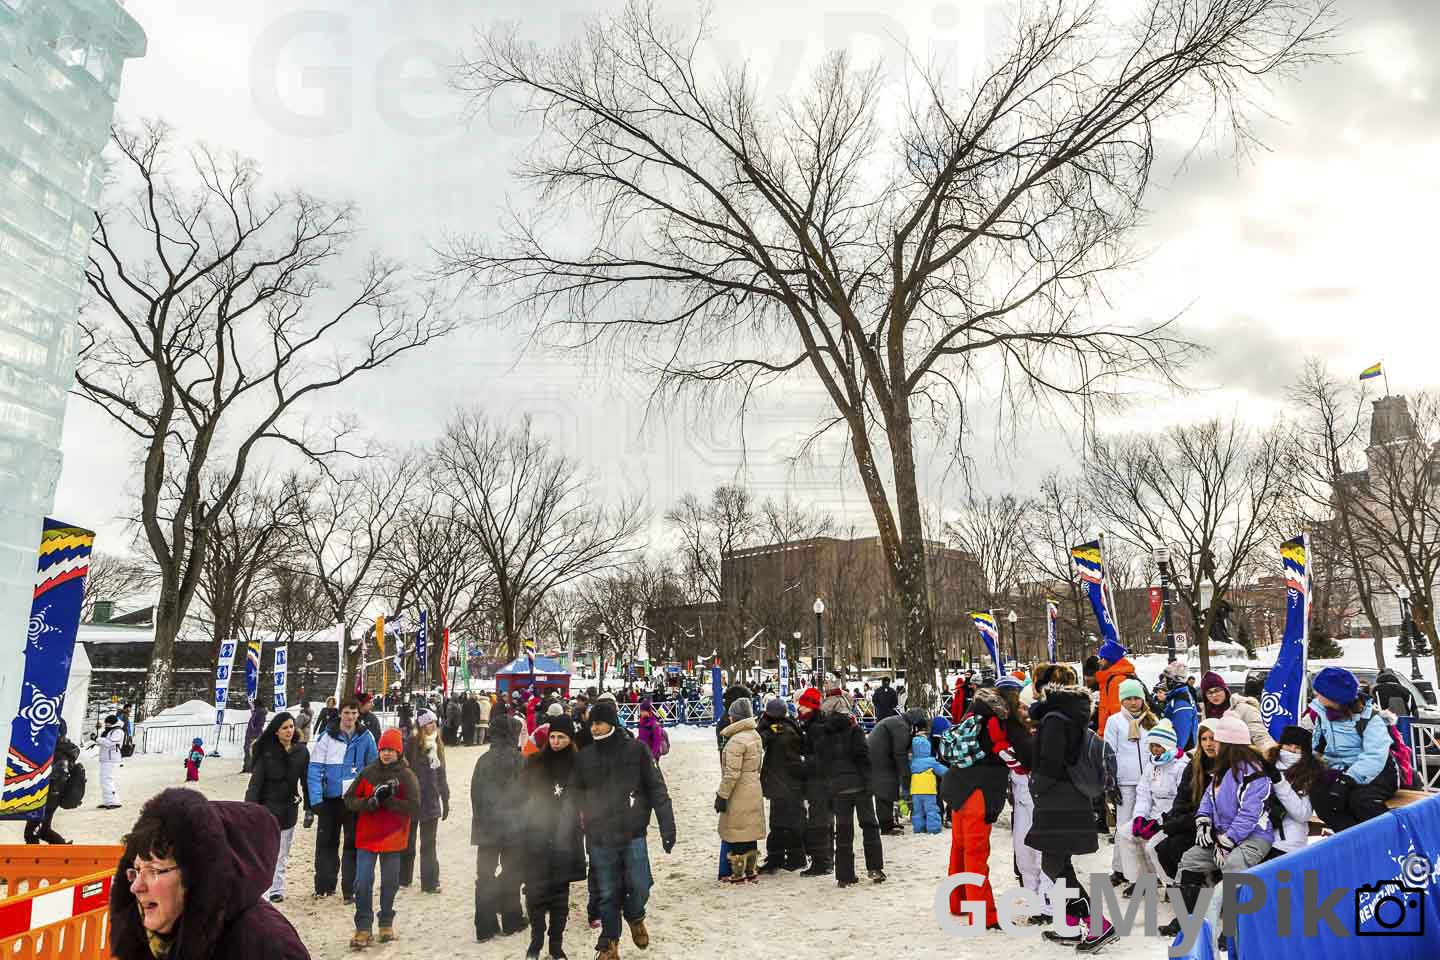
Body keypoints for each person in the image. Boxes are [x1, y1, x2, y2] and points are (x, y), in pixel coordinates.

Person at [108, 788, 309, 959]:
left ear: (198, 877)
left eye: (153, 870)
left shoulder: (266, 946)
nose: (136, 887)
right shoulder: (164, 934)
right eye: (137, 870)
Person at [574, 699, 677, 960]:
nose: (594, 729)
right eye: (591, 724)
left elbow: (656, 788)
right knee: (607, 893)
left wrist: (667, 823)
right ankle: (609, 945)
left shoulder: (637, 750)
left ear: (611, 722)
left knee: (641, 884)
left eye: (598, 723)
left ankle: (634, 914)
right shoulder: (584, 756)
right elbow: (573, 795)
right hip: (600, 835)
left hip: (632, 832)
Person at [1027, 666, 1117, 950]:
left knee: (1053, 864)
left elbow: (1051, 763)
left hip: (1057, 799)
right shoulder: (1068, 716)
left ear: (1044, 689)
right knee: (1058, 864)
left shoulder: (1054, 719)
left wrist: (1036, 785)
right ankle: (1070, 924)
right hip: (1070, 797)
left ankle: (1098, 925)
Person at [1173, 715, 1274, 952]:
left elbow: (1250, 815)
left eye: (1217, 741)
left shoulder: (1254, 773)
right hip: (1222, 838)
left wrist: (1227, 843)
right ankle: (1191, 923)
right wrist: (1204, 823)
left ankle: (1231, 930)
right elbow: (1207, 801)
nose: (1212, 745)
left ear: (1229, 744)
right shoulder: (1221, 771)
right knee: (1189, 861)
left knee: (1233, 866)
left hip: (1254, 837)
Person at [941, 683, 1025, 930]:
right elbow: (1004, 752)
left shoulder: (974, 710)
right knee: (977, 853)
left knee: (960, 847)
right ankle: (983, 914)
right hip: (979, 792)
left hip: (958, 788)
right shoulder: (996, 720)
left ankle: (959, 901)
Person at [345, 728, 420, 949]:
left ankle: (386, 923)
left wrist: (390, 801)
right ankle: (363, 927)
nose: (386, 753)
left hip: (393, 837)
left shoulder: (407, 775)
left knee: (390, 882)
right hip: (367, 836)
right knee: (363, 882)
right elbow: (349, 799)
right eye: (383, 749)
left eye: (391, 749)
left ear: (398, 751)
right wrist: (369, 802)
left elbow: (415, 808)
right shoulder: (368, 772)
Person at [522, 714, 586, 960]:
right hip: (536, 836)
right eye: (553, 737)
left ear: (570, 739)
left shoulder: (578, 765)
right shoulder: (535, 762)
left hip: (565, 838)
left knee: (560, 896)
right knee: (536, 892)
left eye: (561, 737)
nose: (556, 741)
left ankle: (555, 944)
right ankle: (536, 941)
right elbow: (522, 793)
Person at [1306, 666, 1398, 831]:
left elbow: (1375, 756)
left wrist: (1347, 780)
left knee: (1359, 800)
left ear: (1335, 697)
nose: (1316, 695)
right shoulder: (1322, 714)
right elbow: (1319, 746)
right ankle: (1352, 840)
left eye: (1320, 692)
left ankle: (1388, 836)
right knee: (1320, 797)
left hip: (1377, 772)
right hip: (1341, 770)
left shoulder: (1370, 719)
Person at [307, 697, 379, 901]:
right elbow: (315, 768)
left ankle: (351, 889)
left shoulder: (366, 737)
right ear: (340, 713)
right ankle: (324, 886)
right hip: (330, 800)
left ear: (359, 715)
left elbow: (373, 768)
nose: (350, 717)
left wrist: (368, 796)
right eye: (347, 713)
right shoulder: (326, 737)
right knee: (326, 845)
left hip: (354, 801)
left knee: (352, 845)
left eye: (354, 713)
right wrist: (316, 799)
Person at [1154, 719, 1221, 937]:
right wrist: (1174, 820)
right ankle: (1191, 906)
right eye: (1204, 739)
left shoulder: (1228, 767)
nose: (1209, 744)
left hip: (1215, 829)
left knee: (1181, 851)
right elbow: (1182, 798)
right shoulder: (1194, 766)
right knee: (1163, 849)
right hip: (1192, 823)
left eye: (1213, 738)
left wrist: (1182, 823)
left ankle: (1189, 915)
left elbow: (1217, 810)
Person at [815, 691, 885, 888]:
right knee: (869, 826)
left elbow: (822, 764)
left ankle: (844, 875)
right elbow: (863, 757)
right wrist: (868, 782)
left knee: (843, 831)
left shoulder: (823, 734)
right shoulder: (854, 731)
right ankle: (875, 868)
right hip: (859, 785)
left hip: (838, 788)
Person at [472, 711, 528, 941]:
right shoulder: (520, 761)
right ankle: (512, 920)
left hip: (486, 828)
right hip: (514, 828)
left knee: (484, 874)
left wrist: (482, 820)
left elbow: (475, 796)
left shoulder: (483, 761)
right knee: (512, 872)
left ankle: (484, 926)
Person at [245, 711, 311, 903]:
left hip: (289, 808)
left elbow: (306, 781)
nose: (289, 730)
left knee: (282, 852)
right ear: (276, 731)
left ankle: (277, 888)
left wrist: (309, 807)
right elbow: (255, 784)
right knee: (266, 852)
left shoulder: (301, 752)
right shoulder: (266, 752)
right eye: (284, 727)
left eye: (291, 726)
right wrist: (249, 810)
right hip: (267, 809)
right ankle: (263, 889)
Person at [1116, 719, 1188, 896]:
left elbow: (1181, 801)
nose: (1155, 750)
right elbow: (1144, 793)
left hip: (1171, 818)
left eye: (1159, 746)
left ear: (1168, 745)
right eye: (1152, 745)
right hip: (1151, 814)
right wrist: (1140, 816)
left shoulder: (1181, 766)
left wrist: (1159, 822)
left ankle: (1170, 883)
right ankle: (1142, 880)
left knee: (1153, 845)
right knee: (1125, 834)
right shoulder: (1152, 765)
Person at [1103, 677, 1158, 885]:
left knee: (1145, 825)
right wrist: (1111, 780)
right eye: (1129, 699)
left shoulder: (1151, 720)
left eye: (1137, 698)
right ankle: (1120, 868)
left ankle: (1149, 869)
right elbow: (1109, 751)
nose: (1133, 703)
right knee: (1124, 825)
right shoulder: (1115, 721)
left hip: (1148, 782)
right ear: (1122, 701)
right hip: (1124, 782)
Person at [716, 696, 766, 882]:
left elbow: (732, 774)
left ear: (735, 718)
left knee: (737, 832)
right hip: (753, 786)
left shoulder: (737, 740)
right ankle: (751, 871)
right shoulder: (755, 735)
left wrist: (722, 795)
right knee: (749, 830)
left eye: (731, 716)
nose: (729, 719)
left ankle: (736, 873)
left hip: (739, 791)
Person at [401, 709, 449, 892]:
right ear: (421, 726)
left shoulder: (437, 743)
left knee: (428, 845)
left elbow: (442, 774)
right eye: (429, 723)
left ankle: (430, 883)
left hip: (431, 800)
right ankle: (404, 878)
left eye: (434, 722)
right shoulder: (412, 743)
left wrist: (445, 798)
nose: (433, 725)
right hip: (413, 800)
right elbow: (403, 771)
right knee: (408, 843)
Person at [757, 696, 806, 873]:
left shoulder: (781, 731)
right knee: (785, 821)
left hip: (785, 783)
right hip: (786, 783)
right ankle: (785, 857)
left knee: (784, 823)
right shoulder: (786, 726)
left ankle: (789, 857)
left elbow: (762, 742)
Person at [1266, 725, 1323, 859]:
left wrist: (1279, 783)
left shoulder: (1310, 774)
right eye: (1288, 745)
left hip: (1289, 844)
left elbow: (1303, 814)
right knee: (1239, 877)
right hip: (1259, 839)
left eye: (1298, 748)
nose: (1292, 750)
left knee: (1304, 879)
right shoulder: (1265, 766)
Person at [867, 706, 926, 834]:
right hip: (879, 758)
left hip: (878, 756)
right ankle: (886, 826)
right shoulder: (901, 726)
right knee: (884, 789)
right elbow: (900, 753)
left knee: (887, 787)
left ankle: (888, 822)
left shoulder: (898, 721)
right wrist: (906, 775)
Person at [796, 686, 834, 877]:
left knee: (819, 822)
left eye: (802, 706)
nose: (799, 709)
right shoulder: (817, 724)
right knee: (825, 820)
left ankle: (822, 863)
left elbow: (819, 758)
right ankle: (827, 860)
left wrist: (803, 764)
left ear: (810, 707)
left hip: (820, 783)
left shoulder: (815, 728)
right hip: (825, 782)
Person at [25, 720, 79, 844]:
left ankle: (35, 860)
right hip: (49, 796)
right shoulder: (58, 749)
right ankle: (63, 852)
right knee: (44, 831)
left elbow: (59, 776)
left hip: (48, 797)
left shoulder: (59, 752)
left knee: (30, 833)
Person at [1094, 638, 1137, 734]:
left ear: (1110, 659)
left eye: (1102, 658)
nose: (1099, 661)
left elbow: (1117, 713)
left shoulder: (1117, 680)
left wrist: (1106, 735)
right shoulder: (1111, 678)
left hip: (1113, 737)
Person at [1225, 675, 1277, 752]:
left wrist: (1271, 751)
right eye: (1209, 692)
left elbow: (1260, 735)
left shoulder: (1246, 709)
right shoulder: (1206, 711)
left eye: (1217, 690)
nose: (1214, 695)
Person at [907, 734, 946, 834]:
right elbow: (943, 771)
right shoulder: (931, 762)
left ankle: (918, 829)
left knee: (918, 811)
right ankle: (934, 828)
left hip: (915, 791)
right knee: (931, 810)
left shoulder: (912, 763)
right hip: (929, 791)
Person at [1155, 663, 1198, 751]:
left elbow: (1182, 732)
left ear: (1172, 681)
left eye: (1166, 679)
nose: (1164, 682)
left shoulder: (1181, 702)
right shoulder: (1177, 697)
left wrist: (1177, 752)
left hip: (1182, 752)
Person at [98, 713, 125, 809]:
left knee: (108, 779)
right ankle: (107, 801)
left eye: (108, 724)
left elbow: (110, 743)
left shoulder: (118, 731)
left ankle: (114, 801)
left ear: (113, 723)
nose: (106, 725)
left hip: (112, 759)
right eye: (106, 723)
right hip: (105, 759)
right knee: (103, 780)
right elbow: (104, 741)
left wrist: (98, 739)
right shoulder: (109, 731)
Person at [242, 698, 267, 774]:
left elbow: (259, 725)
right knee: (247, 749)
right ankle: (247, 767)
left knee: (251, 751)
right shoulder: (256, 712)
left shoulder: (260, 712)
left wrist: (254, 734)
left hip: (254, 735)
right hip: (251, 734)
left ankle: (251, 768)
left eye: (254, 704)